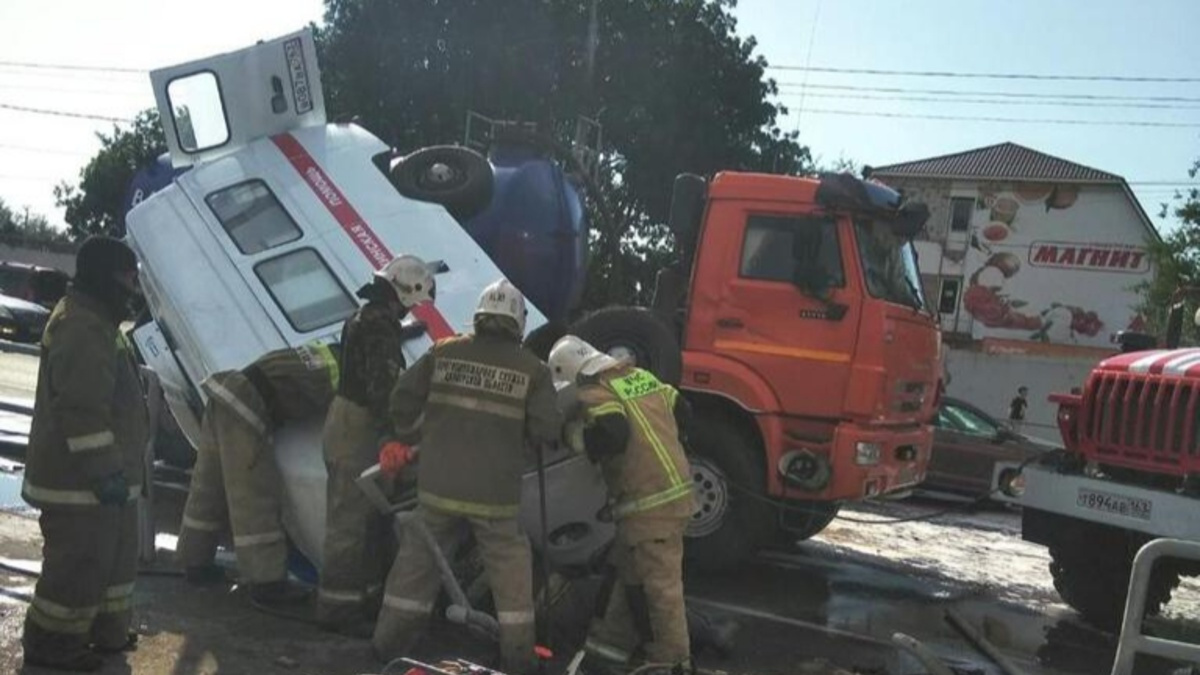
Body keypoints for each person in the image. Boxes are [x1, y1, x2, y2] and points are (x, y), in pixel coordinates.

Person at [372, 279, 561, 675]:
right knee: (511, 578)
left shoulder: (444, 351)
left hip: (437, 487)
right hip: (494, 497)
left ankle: (388, 646)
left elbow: (402, 398)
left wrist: (403, 438)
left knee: (416, 566)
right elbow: (547, 430)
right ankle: (519, 660)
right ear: (518, 323)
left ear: (480, 314)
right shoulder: (533, 370)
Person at [21, 236, 148, 671]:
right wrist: (105, 470)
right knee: (76, 570)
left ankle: (104, 634)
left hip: (100, 484)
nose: (134, 289)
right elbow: (82, 409)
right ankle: (52, 646)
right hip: (80, 485)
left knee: (110, 567)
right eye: (129, 279)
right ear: (107, 278)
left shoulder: (97, 319)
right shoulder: (82, 325)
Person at [548, 335, 694, 675]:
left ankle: (673, 664)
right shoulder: (641, 377)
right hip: (671, 495)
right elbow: (685, 411)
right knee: (631, 579)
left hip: (648, 504)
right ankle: (608, 653)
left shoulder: (595, 391)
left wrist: (576, 437)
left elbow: (614, 433)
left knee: (660, 589)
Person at [318, 255, 436, 632]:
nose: (410, 311)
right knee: (350, 521)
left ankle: (364, 601)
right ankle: (337, 611)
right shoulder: (379, 329)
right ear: (403, 293)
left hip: (346, 419)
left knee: (367, 520)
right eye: (411, 304)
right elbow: (382, 388)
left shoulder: (366, 318)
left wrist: (404, 334)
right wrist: (391, 438)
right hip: (358, 428)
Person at [176, 339, 341, 604]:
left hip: (223, 395)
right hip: (245, 405)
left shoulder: (321, 352)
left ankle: (194, 562)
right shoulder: (346, 372)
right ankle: (266, 583)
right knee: (253, 496)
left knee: (206, 490)